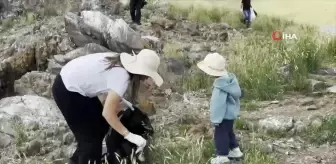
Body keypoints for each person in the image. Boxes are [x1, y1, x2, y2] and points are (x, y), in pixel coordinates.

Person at [51, 49, 163, 164]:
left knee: (101, 126)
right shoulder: (122, 76)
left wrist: (124, 103)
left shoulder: (119, 61)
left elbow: (103, 90)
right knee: (90, 141)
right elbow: (108, 113)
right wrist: (129, 135)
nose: (147, 80)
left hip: (75, 85)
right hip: (67, 90)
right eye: (148, 76)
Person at [197, 53, 244, 164]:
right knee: (229, 132)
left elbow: (218, 104)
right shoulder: (230, 81)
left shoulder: (219, 86)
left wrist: (215, 119)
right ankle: (235, 150)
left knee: (220, 135)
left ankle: (222, 155)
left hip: (222, 115)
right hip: (230, 114)